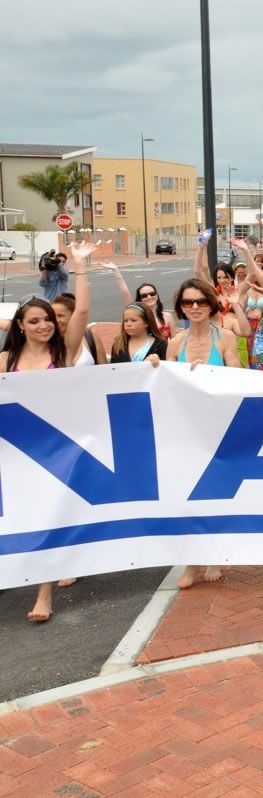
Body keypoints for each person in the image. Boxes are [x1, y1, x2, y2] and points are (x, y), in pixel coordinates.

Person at [3, 240, 97, 621]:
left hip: (58, 450)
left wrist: (79, 266)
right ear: (20, 328)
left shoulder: (64, 353)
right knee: (23, 516)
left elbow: (84, 309)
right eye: (35, 321)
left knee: (46, 514)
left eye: (48, 320)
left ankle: (43, 595)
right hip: (16, 451)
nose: (44, 326)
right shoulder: (5, 361)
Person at [168, 277, 243, 591]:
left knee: (215, 497)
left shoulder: (224, 337)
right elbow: (164, 387)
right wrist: (157, 365)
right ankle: (192, 561)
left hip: (218, 427)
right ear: (181, 307)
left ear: (211, 304)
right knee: (187, 499)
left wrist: (211, 373)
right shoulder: (175, 343)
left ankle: (214, 554)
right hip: (186, 431)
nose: (195, 307)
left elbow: (239, 378)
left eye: (200, 301)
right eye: (188, 302)